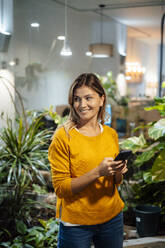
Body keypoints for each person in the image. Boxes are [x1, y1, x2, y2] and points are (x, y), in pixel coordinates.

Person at [48, 73, 128, 248]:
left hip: (112, 218)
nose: (82, 105)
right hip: (76, 224)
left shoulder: (110, 135)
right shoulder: (63, 137)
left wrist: (118, 172)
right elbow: (61, 189)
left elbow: (116, 183)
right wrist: (97, 172)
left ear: (101, 99)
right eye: (77, 99)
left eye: (88, 98)